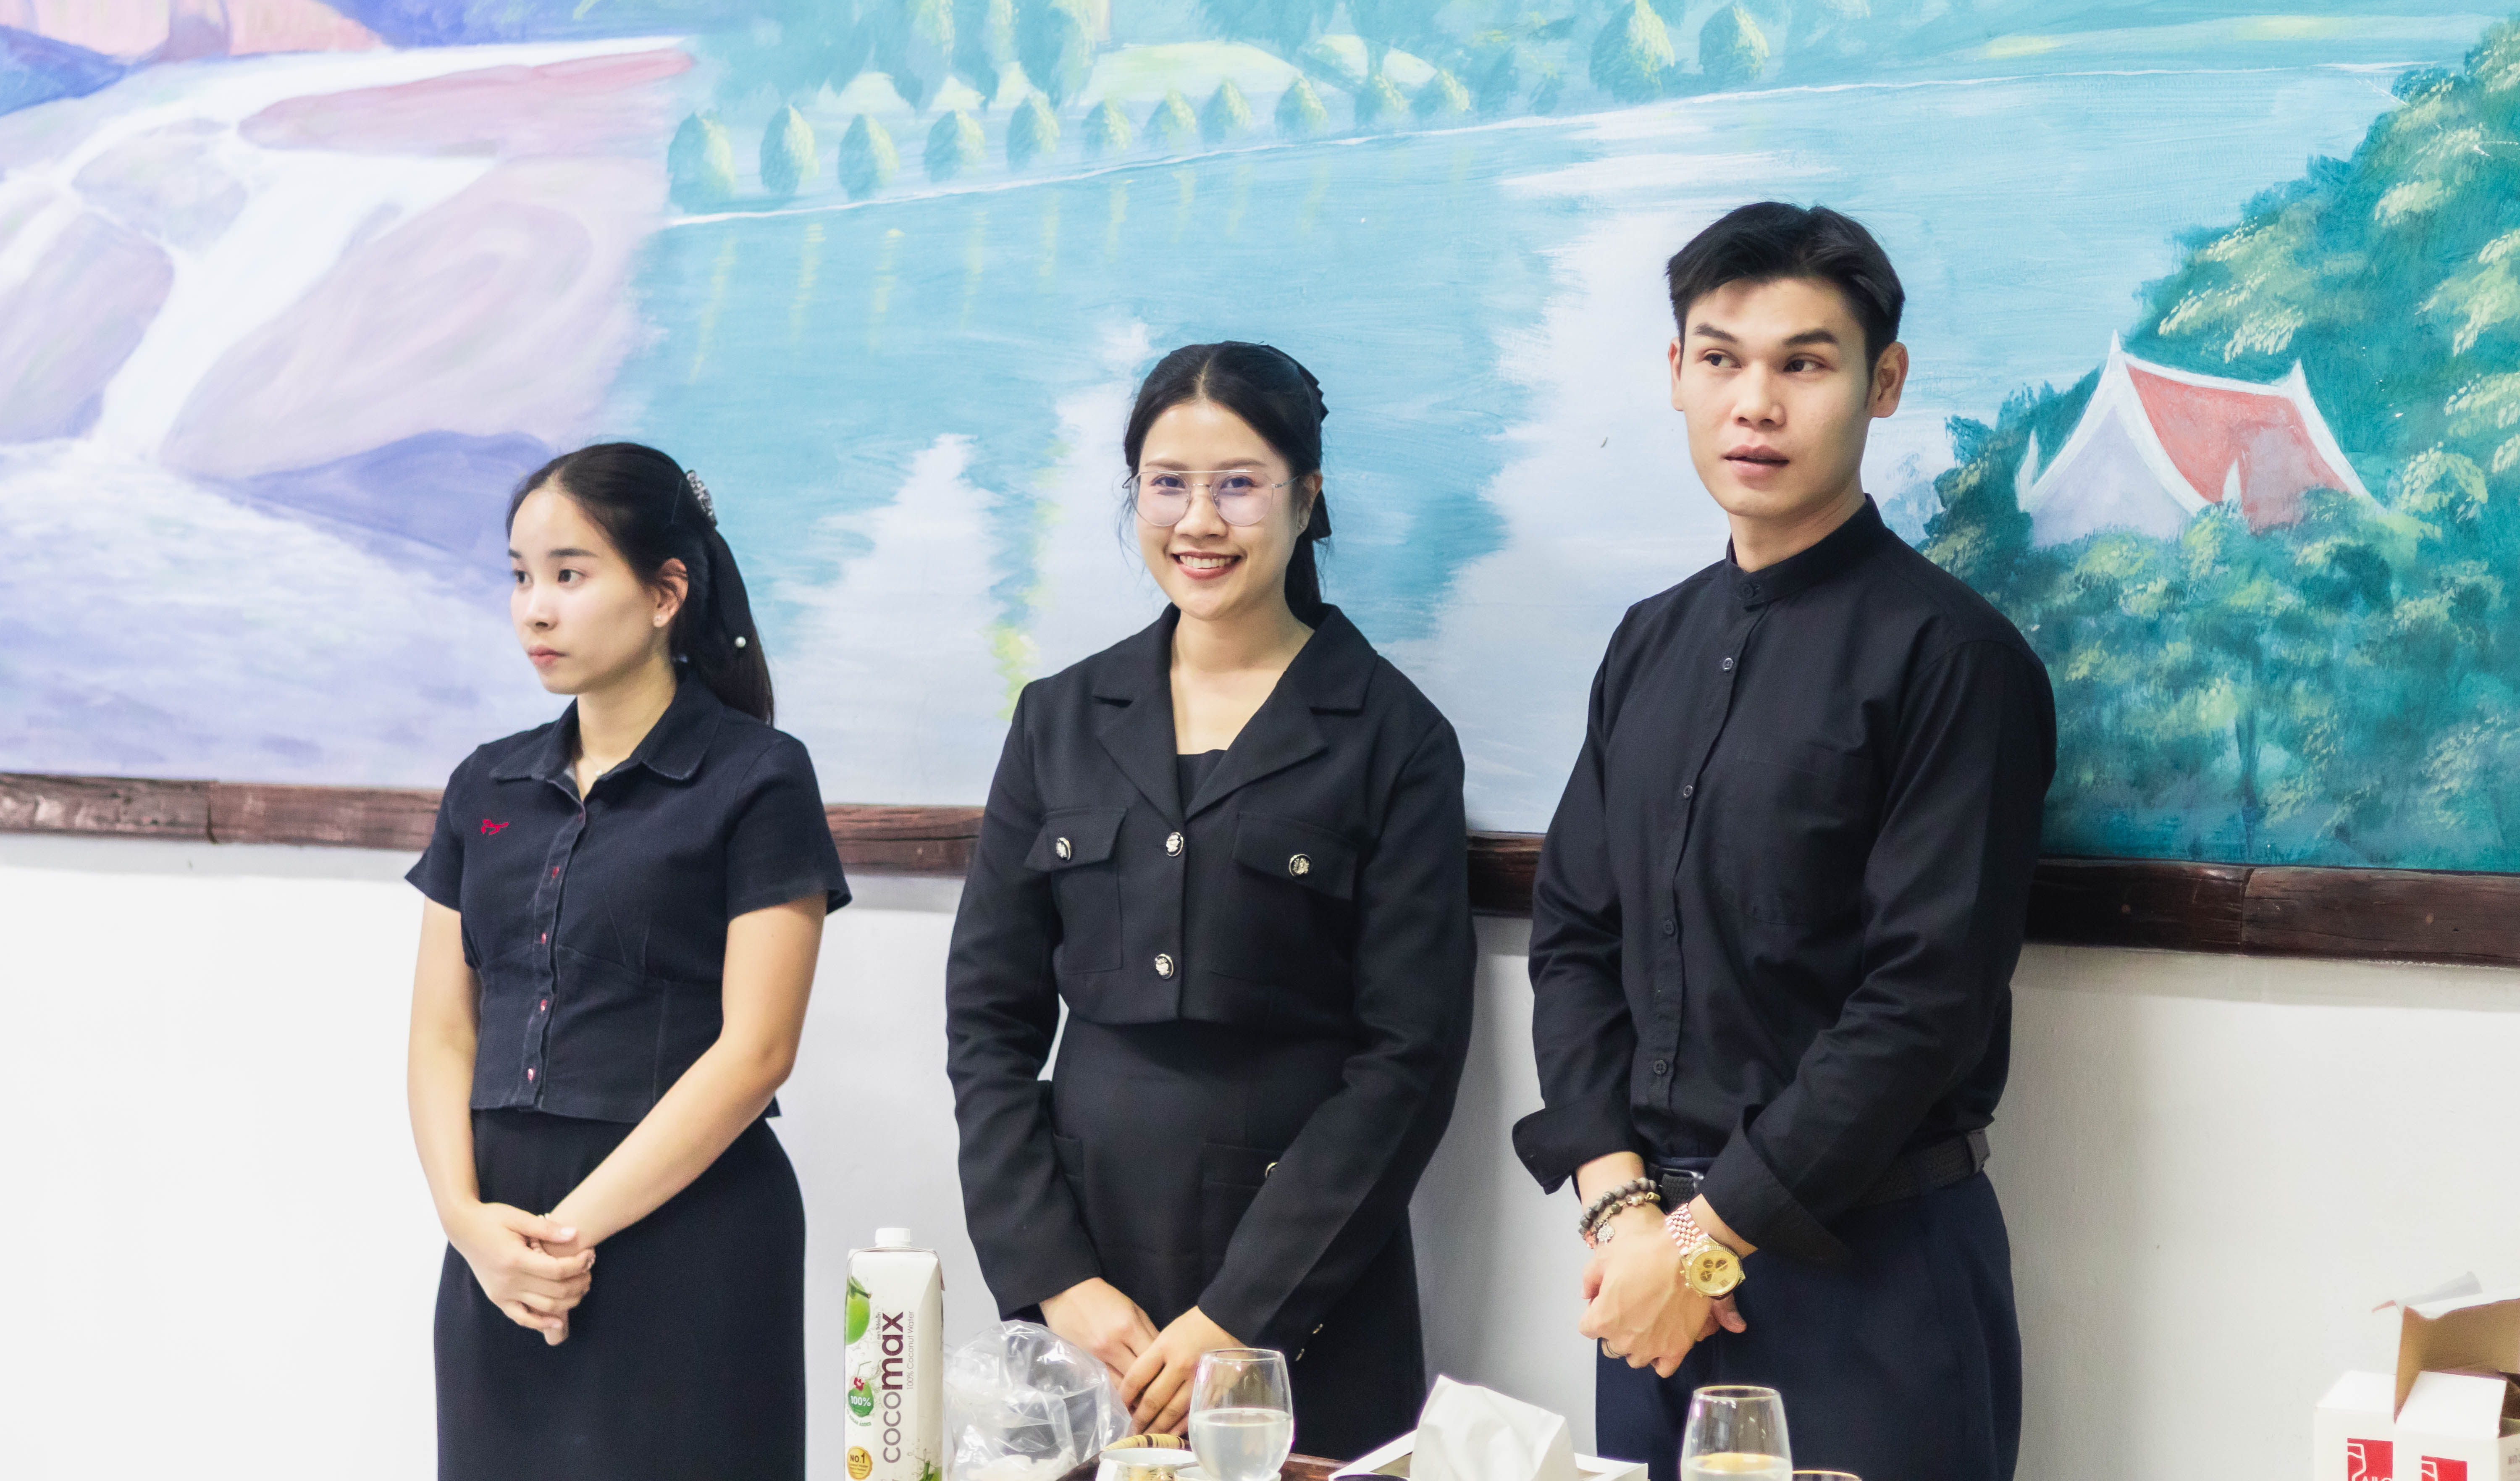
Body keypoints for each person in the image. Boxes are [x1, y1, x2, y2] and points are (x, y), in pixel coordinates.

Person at [1515, 205, 2056, 1481]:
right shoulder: (1647, 641)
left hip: (1868, 1272)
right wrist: (1623, 1208)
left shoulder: (1956, 659)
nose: (1754, 403)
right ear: (1676, 374)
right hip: (1646, 1277)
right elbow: (1575, 939)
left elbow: (1921, 1002)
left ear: (1884, 382)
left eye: (1804, 363)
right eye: (1721, 358)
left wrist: (1706, 1241)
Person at [947, 341, 1475, 1459]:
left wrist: (1241, 1319)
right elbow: (987, 1026)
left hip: (1307, 1296)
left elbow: (1409, 1058)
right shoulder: (1058, 718)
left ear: (1306, 497)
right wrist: (1057, 1279)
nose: (1199, 521)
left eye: (1239, 484)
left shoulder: (1394, 737)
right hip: (1090, 1306)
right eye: (1167, 484)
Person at [406, 443, 850, 1481]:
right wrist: (467, 1223)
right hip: (497, 1243)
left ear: (665, 592)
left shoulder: (758, 775)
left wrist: (561, 1241)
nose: (535, 608)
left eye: (569, 573)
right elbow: (442, 1029)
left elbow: (757, 1050)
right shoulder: (486, 782)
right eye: (521, 575)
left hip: (684, 1231)